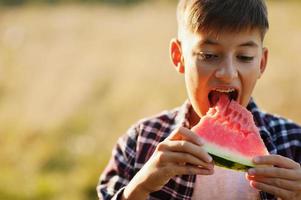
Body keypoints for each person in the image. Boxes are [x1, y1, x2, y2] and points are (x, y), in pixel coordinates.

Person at [97, 0, 301, 199]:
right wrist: (138, 188)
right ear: (179, 57)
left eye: (245, 56)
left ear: (261, 64)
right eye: (209, 55)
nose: (228, 73)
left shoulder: (293, 143)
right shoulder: (139, 142)